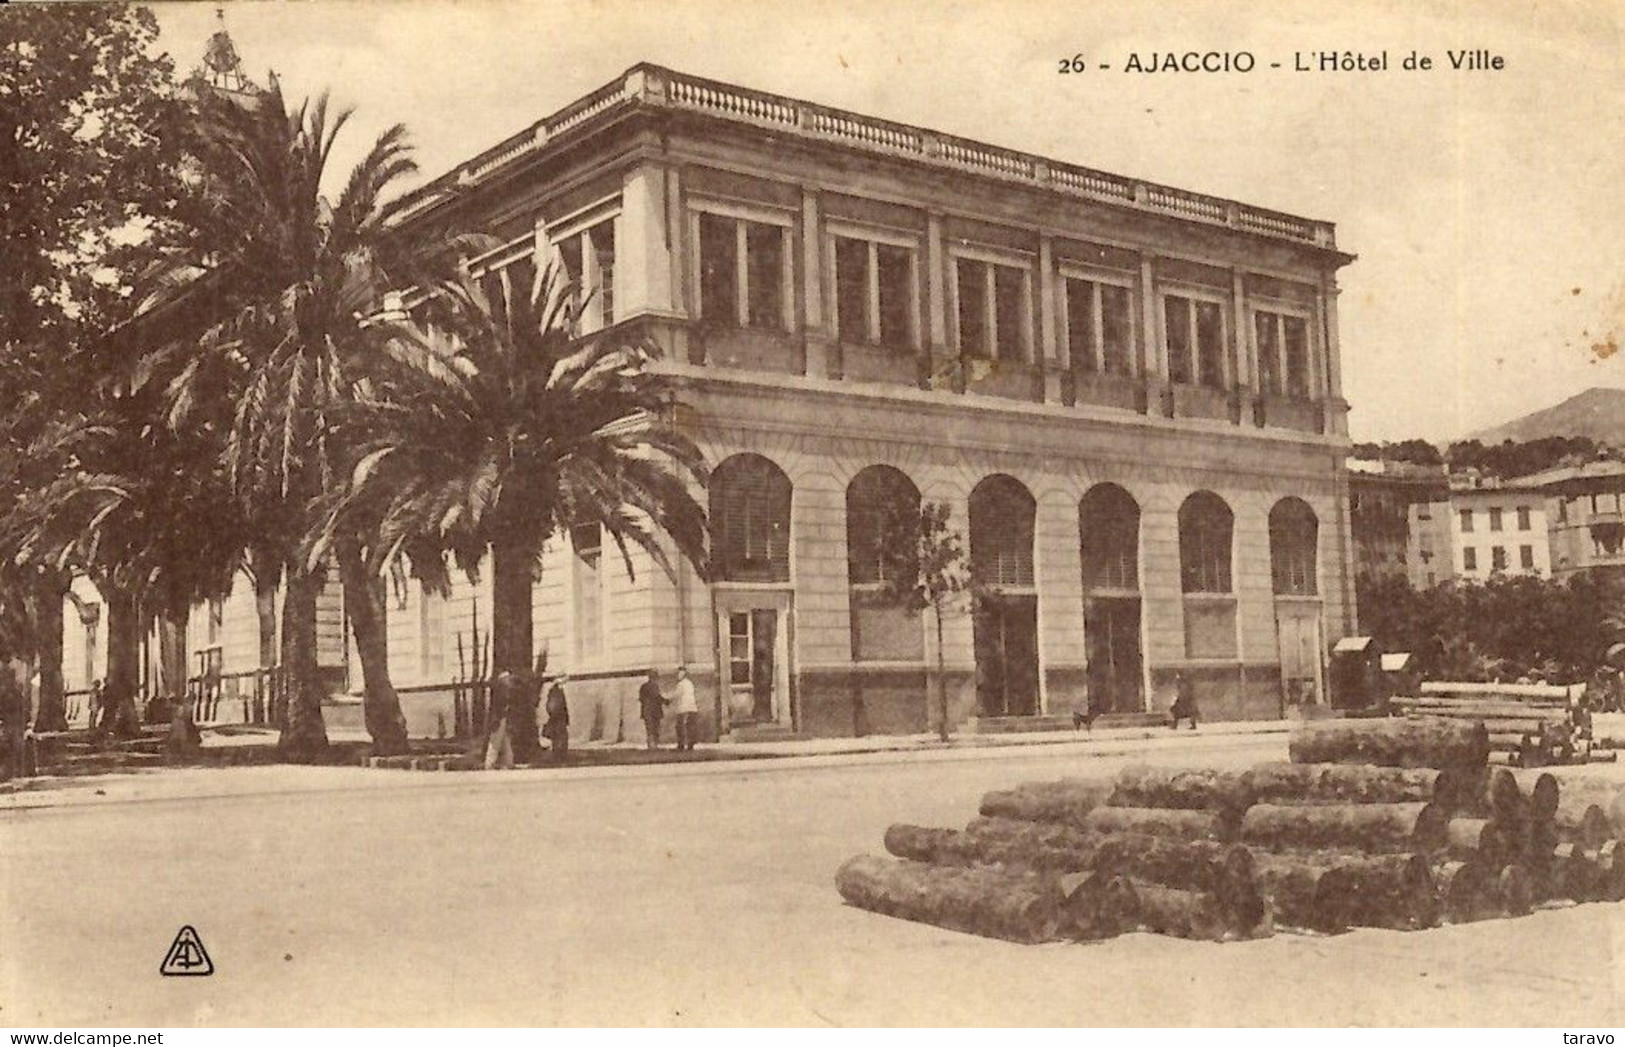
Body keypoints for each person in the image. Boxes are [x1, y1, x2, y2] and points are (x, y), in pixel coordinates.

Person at [670, 666, 698, 751]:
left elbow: (676, 695)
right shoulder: (690, 683)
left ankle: (681, 745)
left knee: (680, 727)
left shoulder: (681, 684)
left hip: (683, 708)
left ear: (683, 674)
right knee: (690, 727)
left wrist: (667, 699)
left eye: (679, 673)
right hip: (692, 708)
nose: (677, 675)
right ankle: (690, 744)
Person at [543, 674, 571, 760]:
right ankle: (559, 754)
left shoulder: (556, 690)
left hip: (559, 717)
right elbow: (553, 706)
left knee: (559, 737)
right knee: (559, 737)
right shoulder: (555, 691)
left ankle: (560, 753)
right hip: (558, 718)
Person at [638, 668, 665, 750]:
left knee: (649, 729)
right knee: (655, 728)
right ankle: (654, 745)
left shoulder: (643, 686)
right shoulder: (655, 686)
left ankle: (651, 745)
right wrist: (666, 701)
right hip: (654, 711)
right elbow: (657, 697)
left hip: (647, 711)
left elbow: (641, 698)